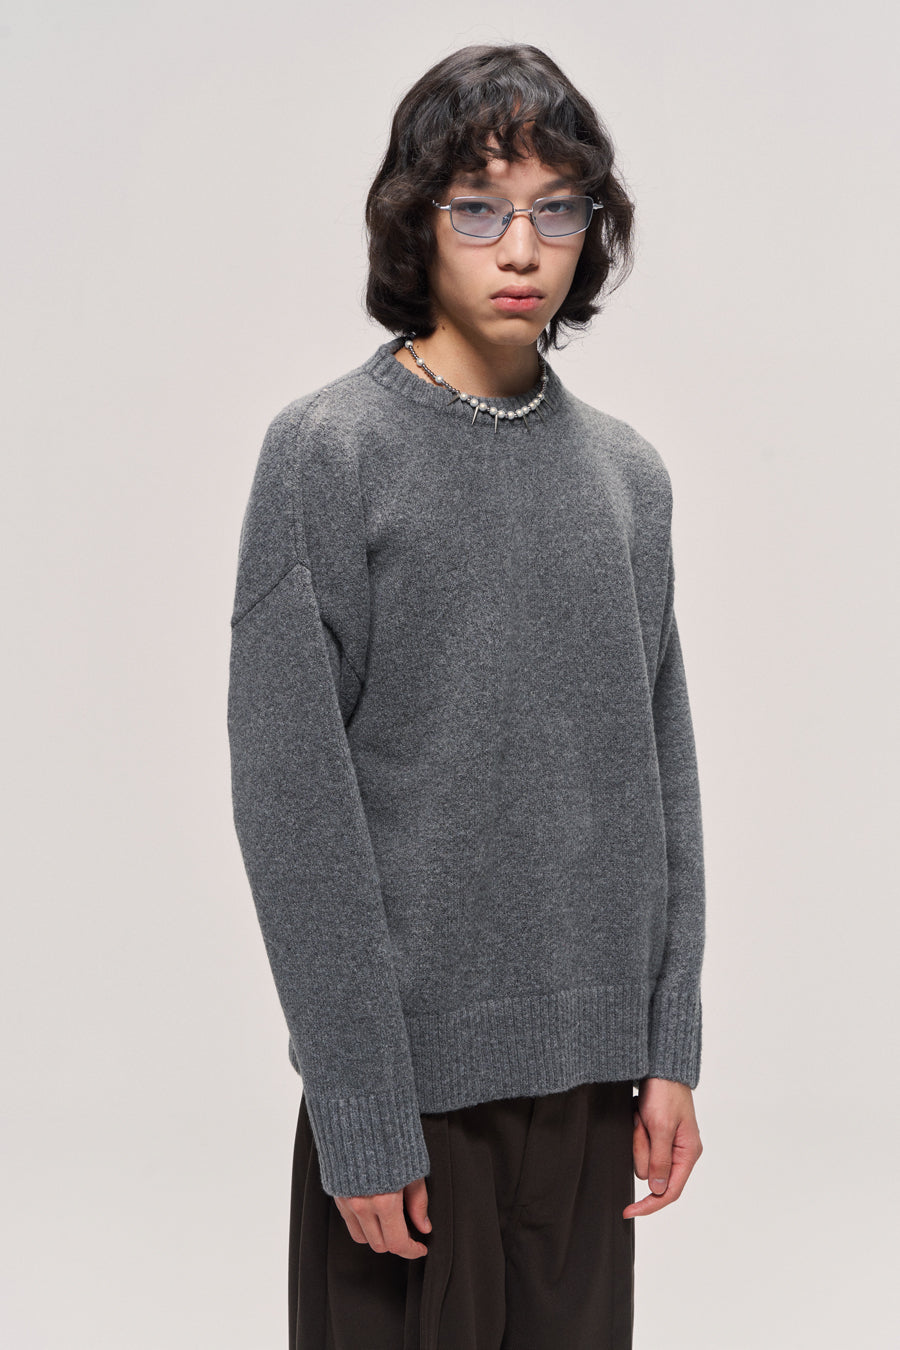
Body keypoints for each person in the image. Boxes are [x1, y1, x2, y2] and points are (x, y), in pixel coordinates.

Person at [227, 41, 707, 1350]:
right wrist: (360, 1105)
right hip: (409, 1102)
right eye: (481, 207)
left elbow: (661, 767)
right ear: (417, 220)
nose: (522, 248)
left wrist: (670, 1045)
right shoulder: (330, 454)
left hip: (592, 1097)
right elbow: (292, 805)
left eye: (558, 208)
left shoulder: (628, 478)